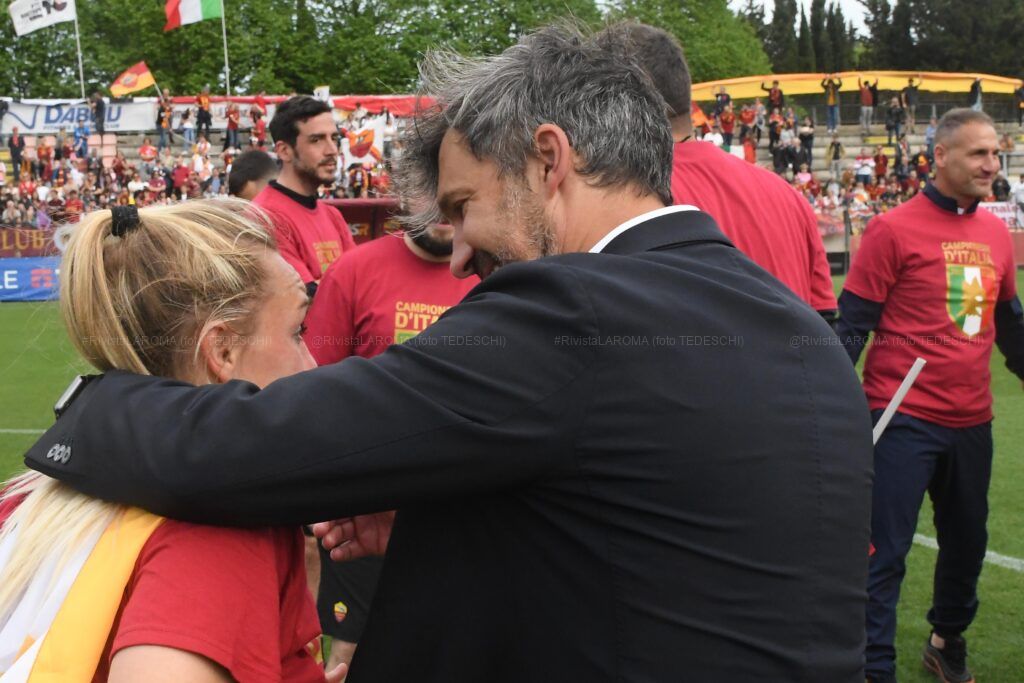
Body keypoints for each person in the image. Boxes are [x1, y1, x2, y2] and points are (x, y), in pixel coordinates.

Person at [25, 23, 873, 683]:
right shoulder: (792, 327)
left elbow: (263, 443)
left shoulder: (576, 306)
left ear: (550, 161)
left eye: (464, 205)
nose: (460, 251)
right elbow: (654, 551)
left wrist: (87, 407)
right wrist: (452, 523)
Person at [0, 200, 345, 682]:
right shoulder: (220, 522)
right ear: (221, 350)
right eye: (298, 331)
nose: (312, 364)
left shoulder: (26, 499)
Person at [836, 109, 1024, 683]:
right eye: (978, 154)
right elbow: (853, 326)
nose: (991, 164)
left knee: (966, 546)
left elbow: (1008, 324)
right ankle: (873, 667)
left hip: (973, 421)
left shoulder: (995, 232)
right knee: (883, 554)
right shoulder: (892, 229)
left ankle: (946, 641)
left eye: (995, 153)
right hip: (901, 418)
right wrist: (821, 404)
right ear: (940, 156)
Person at [303, 212, 479, 673]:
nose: (445, 212)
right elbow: (316, 387)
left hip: (461, 513)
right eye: (433, 195)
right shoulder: (355, 270)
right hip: (364, 507)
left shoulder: (494, 276)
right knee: (349, 655)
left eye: (457, 199)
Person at [253, 96, 356, 294]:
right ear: (284, 151)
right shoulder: (264, 217)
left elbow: (360, 283)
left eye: (334, 138)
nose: (332, 150)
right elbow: (304, 298)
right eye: (316, 140)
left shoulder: (333, 216)